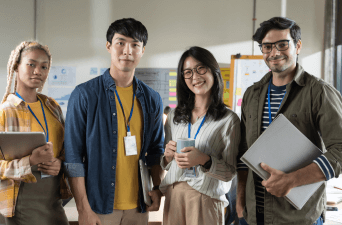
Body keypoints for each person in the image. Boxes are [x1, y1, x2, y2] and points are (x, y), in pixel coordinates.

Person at [236, 17, 342, 225]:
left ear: (298, 45)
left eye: (282, 44)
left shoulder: (319, 92)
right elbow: (243, 151)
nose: (274, 53)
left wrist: (292, 180)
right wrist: (240, 201)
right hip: (254, 216)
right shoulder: (252, 95)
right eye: (267, 47)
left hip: (297, 218)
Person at [64, 18, 164, 225]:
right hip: (98, 207)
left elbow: (156, 151)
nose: (127, 51)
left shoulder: (152, 98)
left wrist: (157, 188)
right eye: (120, 43)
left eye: (135, 45)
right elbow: (73, 158)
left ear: (142, 50)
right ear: (109, 46)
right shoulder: (84, 95)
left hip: (139, 206)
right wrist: (83, 209)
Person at [159, 46, 240, 225]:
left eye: (200, 69)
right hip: (174, 196)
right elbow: (165, 163)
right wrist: (167, 156)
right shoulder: (174, 115)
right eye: (187, 72)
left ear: (213, 71)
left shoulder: (228, 119)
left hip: (206, 198)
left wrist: (205, 159)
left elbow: (230, 172)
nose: (195, 77)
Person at [0, 41, 72, 224]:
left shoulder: (53, 107)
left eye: (44, 66)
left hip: (54, 199)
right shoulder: (6, 111)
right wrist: (30, 161)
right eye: (31, 64)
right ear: (16, 66)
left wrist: (60, 163)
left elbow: (66, 150)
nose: (38, 71)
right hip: (20, 202)